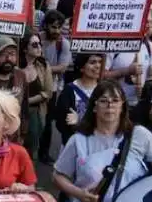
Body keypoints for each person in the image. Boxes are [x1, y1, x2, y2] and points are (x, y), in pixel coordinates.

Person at [39, 10, 73, 162]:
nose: (57, 31)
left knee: (47, 122)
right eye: (53, 27)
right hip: (34, 86)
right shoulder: (37, 39)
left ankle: (44, 152)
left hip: (52, 88)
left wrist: (41, 69)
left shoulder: (63, 44)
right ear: (46, 25)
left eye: (59, 27)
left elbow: (62, 67)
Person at [19, 31, 53, 161]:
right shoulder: (14, 66)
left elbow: (48, 93)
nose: (39, 47)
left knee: (29, 150)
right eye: (34, 45)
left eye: (39, 44)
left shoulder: (43, 66)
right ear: (24, 48)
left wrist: (26, 101)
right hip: (16, 113)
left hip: (35, 113)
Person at [55, 54, 102, 145]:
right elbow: (61, 123)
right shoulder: (69, 91)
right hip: (75, 145)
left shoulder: (105, 91)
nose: (98, 66)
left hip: (97, 144)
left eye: (100, 62)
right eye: (93, 62)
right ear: (82, 68)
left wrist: (80, 120)